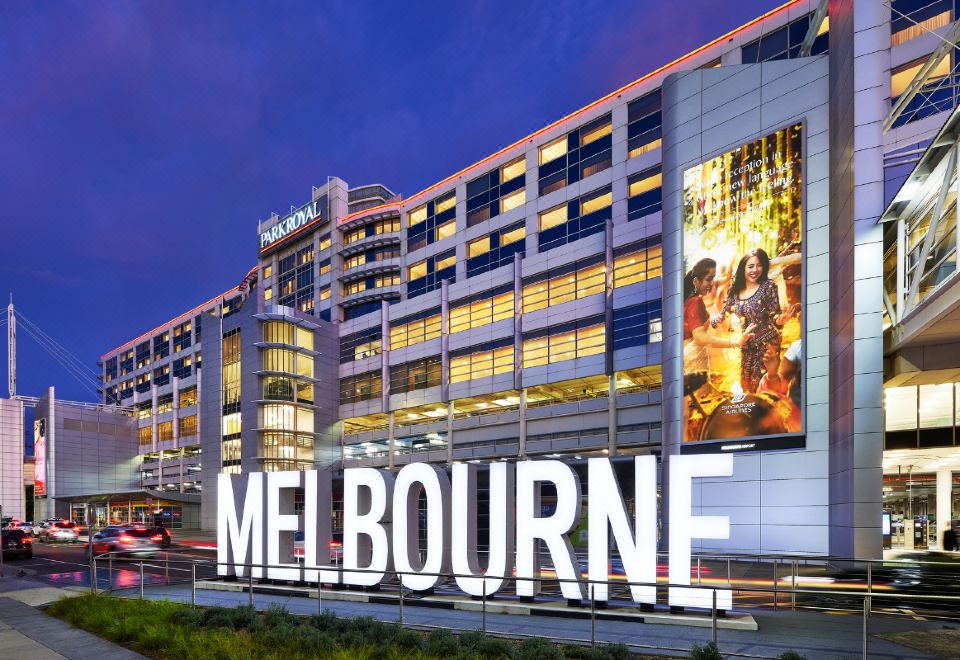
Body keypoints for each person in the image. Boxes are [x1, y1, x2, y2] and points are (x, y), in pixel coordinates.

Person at [711, 248, 799, 393]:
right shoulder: (736, 290)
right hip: (747, 346)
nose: (755, 270)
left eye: (759, 266)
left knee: (764, 388)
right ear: (743, 268)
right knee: (747, 387)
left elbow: (774, 316)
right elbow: (721, 316)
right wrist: (709, 321)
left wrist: (781, 319)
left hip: (768, 343)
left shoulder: (768, 287)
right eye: (751, 266)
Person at [683, 257, 755, 373]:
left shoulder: (689, 300)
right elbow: (700, 337)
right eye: (708, 279)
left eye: (712, 279)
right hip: (694, 357)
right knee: (701, 389)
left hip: (693, 355)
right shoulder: (694, 302)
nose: (711, 284)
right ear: (696, 281)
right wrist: (735, 342)